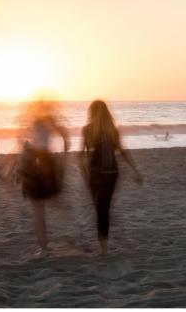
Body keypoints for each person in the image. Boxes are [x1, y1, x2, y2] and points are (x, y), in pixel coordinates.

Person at [81, 100, 143, 256]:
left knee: (101, 209)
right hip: (111, 174)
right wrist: (136, 170)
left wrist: (84, 172)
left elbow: (80, 155)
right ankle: (104, 246)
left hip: (96, 174)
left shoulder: (88, 130)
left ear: (92, 113)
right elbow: (122, 151)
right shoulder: (112, 130)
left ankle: (104, 249)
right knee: (102, 209)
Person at [18, 99, 70, 254]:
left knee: (38, 212)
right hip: (46, 161)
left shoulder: (37, 120)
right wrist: (66, 147)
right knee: (44, 204)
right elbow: (62, 133)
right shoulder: (49, 120)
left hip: (37, 162)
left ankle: (44, 248)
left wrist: (27, 146)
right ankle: (44, 246)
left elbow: (34, 142)